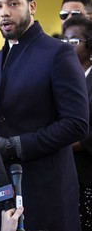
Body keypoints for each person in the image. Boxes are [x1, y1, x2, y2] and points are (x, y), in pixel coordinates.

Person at [0, 0, 89, 231]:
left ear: (32, 6)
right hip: (6, 184)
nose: (4, 13)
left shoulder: (58, 53)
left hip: (47, 186)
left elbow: (76, 124)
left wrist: (15, 145)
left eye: (13, 3)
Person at [62, 15, 92, 231]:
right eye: (64, 41)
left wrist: (56, 143)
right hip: (65, 170)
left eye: (74, 41)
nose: (67, 46)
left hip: (88, 172)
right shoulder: (64, 78)